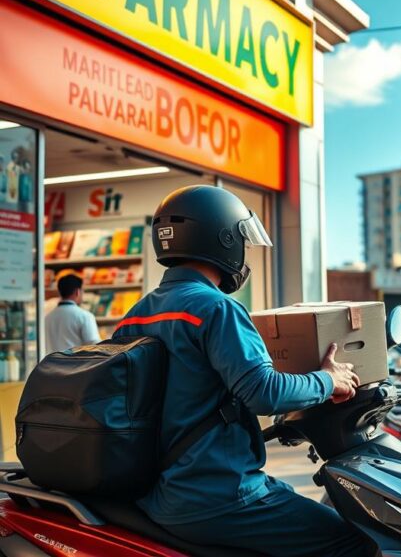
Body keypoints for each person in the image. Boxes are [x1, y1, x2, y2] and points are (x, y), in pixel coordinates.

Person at [113, 186, 365, 556]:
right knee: (353, 542)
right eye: (241, 241)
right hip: (219, 494)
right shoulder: (216, 308)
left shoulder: (134, 316)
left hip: (162, 495)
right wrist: (330, 380)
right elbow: (264, 392)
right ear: (223, 238)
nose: (244, 253)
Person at [44, 273, 100, 354]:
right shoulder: (85, 316)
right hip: (78, 366)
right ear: (78, 292)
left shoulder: (47, 318)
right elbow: (95, 347)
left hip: (52, 365)